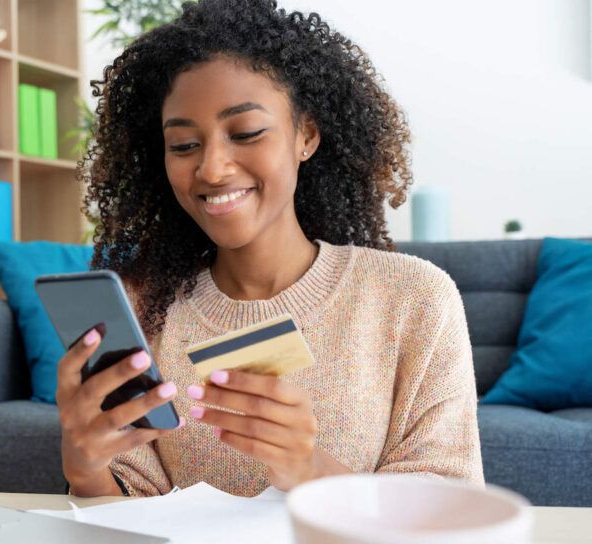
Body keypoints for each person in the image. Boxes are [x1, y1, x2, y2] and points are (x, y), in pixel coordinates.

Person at [57, 0, 483, 497]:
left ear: (306, 134)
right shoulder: (144, 309)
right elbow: (131, 518)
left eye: (246, 133)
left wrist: (311, 470)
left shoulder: (415, 298)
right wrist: (85, 469)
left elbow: (450, 505)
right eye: (183, 145)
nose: (212, 169)